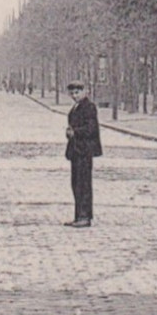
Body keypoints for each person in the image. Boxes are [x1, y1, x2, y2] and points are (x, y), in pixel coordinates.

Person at [64, 81, 102, 227]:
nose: (74, 96)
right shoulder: (77, 107)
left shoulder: (89, 107)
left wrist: (75, 132)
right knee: (76, 184)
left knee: (83, 184)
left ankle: (85, 216)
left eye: (77, 92)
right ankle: (78, 215)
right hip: (76, 150)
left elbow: (91, 128)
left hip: (84, 150)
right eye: (72, 93)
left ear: (84, 91)